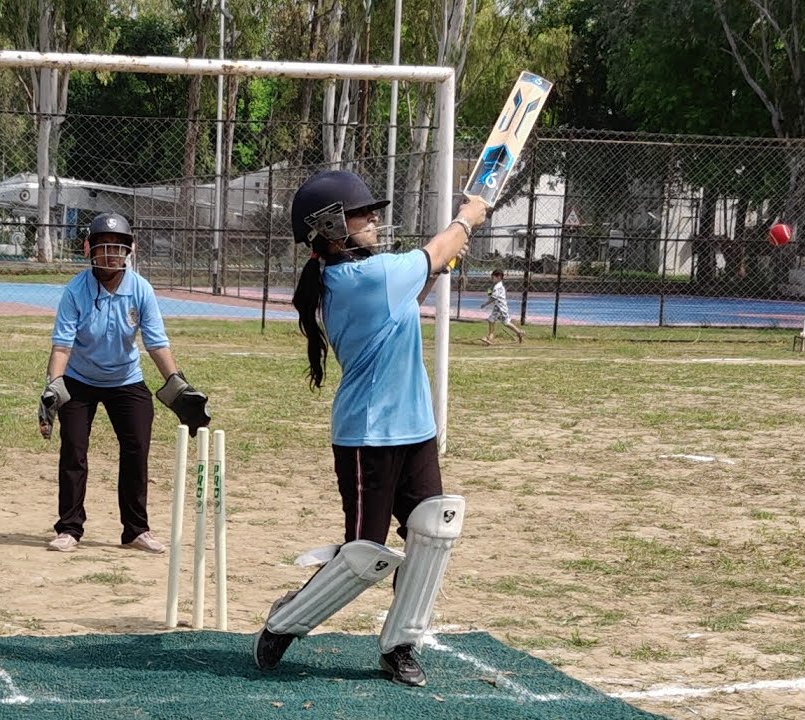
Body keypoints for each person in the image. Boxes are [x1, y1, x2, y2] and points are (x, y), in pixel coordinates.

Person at [252, 170, 487, 687]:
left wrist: (441, 262)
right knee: (365, 554)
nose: (374, 218)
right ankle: (284, 623)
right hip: (367, 437)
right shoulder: (363, 278)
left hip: (414, 428)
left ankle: (400, 645)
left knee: (433, 533)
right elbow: (439, 246)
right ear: (332, 226)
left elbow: (411, 290)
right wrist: (468, 219)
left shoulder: (370, 276)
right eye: (362, 213)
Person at [37, 212, 211, 554]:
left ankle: (136, 529)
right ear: (89, 250)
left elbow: (156, 343)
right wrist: (53, 386)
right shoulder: (76, 290)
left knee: (136, 450)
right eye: (103, 247)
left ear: (129, 251)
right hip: (80, 379)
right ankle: (69, 528)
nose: (110, 255)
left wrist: (177, 385)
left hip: (126, 379)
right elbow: (62, 345)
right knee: (74, 450)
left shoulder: (141, 289)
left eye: (117, 248)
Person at [480, 269, 525, 345]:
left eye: (493, 278)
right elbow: (491, 295)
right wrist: (489, 290)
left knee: (498, 321)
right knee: (501, 322)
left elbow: (493, 298)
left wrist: (485, 304)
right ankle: (519, 332)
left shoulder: (498, 287)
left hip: (500, 308)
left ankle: (491, 337)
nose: (492, 279)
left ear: (499, 277)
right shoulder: (495, 286)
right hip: (498, 307)